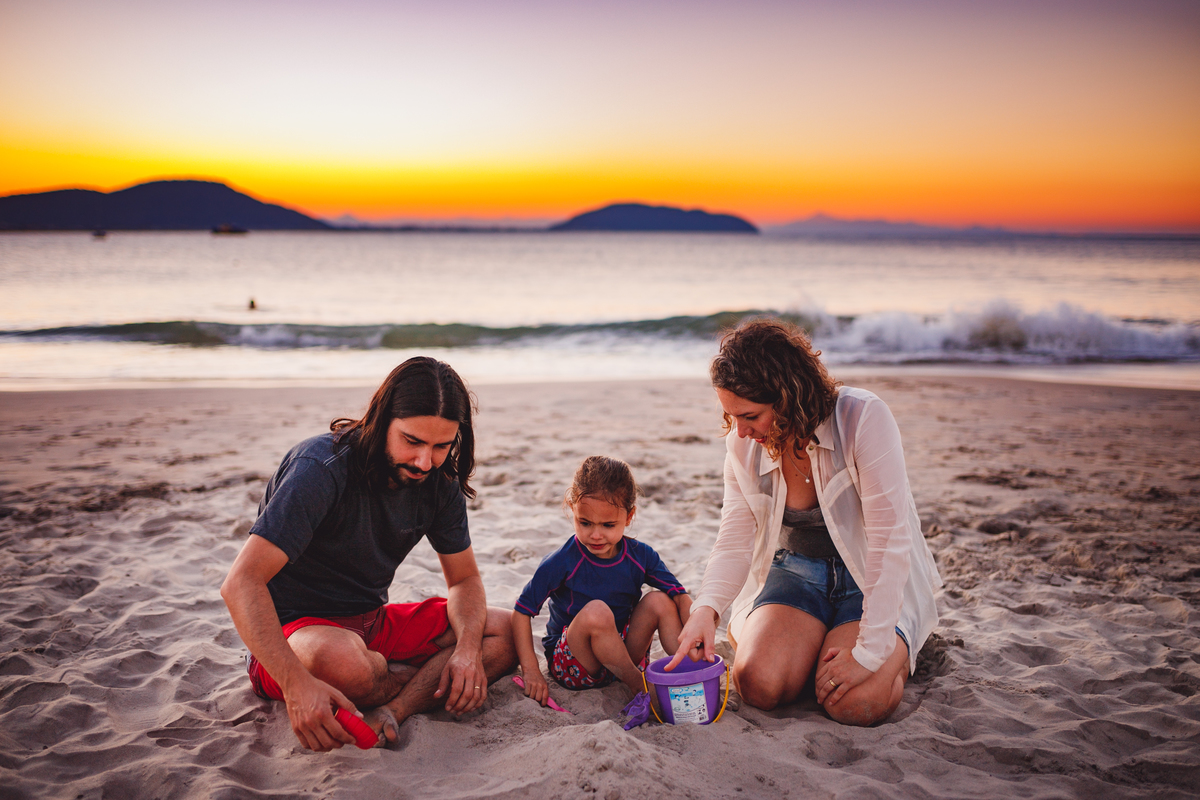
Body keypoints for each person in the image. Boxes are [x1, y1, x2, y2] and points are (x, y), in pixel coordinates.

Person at [221, 357, 517, 752]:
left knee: (507, 632)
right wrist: (296, 686)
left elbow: (464, 580)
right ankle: (404, 676)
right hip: (295, 636)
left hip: (372, 626)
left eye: (441, 446)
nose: (424, 461)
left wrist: (465, 652)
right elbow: (240, 582)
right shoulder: (320, 468)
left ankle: (396, 706)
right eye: (412, 441)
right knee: (340, 661)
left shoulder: (438, 481)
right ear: (381, 419)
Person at [668, 319, 942, 726]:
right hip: (796, 573)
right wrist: (705, 612)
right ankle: (819, 643)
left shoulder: (863, 418)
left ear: (786, 396)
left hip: (869, 576)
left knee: (855, 703)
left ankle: (895, 655)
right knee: (758, 684)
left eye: (750, 416)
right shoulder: (742, 445)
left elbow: (890, 543)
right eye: (731, 417)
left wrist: (868, 654)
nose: (740, 432)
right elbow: (734, 541)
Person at [511, 456, 692, 706]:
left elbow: (680, 596)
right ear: (571, 508)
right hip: (576, 664)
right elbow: (521, 612)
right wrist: (531, 670)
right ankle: (640, 687)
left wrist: (696, 632)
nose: (596, 535)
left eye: (608, 525)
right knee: (597, 611)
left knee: (660, 600)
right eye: (585, 523)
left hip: (622, 656)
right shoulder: (562, 561)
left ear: (629, 517)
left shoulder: (641, 556)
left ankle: (690, 670)